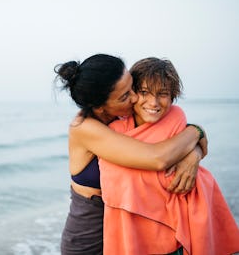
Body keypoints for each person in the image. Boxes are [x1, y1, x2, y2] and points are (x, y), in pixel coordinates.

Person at [54, 54, 207, 255]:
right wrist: (196, 132)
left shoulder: (123, 120)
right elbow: (157, 158)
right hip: (91, 241)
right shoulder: (84, 128)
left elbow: (171, 141)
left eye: (132, 88)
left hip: (129, 237)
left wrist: (193, 153)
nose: (135, 98)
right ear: (100, 106)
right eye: (125, 96)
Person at [99, 57, 239, 255]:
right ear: (132, 93)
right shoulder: (112, 130)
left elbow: (184, 147)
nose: (153, 103)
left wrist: (194, 153)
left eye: (162, 94)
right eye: (145, 92)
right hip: (129, 230)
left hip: (174, 233)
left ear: (172, 96)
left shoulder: (176, 120)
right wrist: (194, 147)